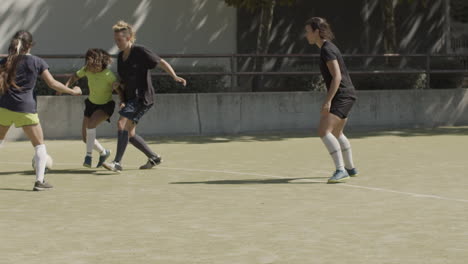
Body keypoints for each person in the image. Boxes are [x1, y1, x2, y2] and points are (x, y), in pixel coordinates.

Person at [0, 30, 82, 191]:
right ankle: (39, 181)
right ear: (30, 45)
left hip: (4, 107)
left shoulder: (5, 61)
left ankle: (40, 180)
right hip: (26, 108)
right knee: (39, 145)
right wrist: (73, 91)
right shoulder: (37, 62)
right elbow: (52, 83)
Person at [103, 21, 187, 172]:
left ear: (128, 38)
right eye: (115, 40)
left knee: (121, 124)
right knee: (130, 133)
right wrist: (119, 88)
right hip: (131, 98)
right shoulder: (121, 57)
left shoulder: (140, 51)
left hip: (143, 97)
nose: (117, 43)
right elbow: (125, 80)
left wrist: (174, 76)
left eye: (119, 40)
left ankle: (117, 163)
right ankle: (154, 157)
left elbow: (161, 62)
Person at [304, 17, 359, 183]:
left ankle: (340, 170)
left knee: (323, 131)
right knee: (337, 132)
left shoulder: (327, 49)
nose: (306, 35)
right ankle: (350, 168)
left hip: (342, 95)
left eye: (308, 31)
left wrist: (328, 101)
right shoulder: (327, 48)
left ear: (316, 32)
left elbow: (337, 76)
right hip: (346, 94)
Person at [65, 48, 118, 168]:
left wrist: (123, 101)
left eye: (95, 66)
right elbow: (75, 76)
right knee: (85, 138)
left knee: (91, 125)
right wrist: (66, 86)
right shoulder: (87, 70)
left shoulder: (108, 75)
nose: (92, 69)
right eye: (89, 65)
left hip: (105, 106)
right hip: (91, 104)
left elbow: (119, 89)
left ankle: (88, 156)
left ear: (101, 63)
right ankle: (104, 152)